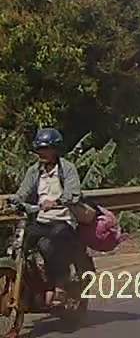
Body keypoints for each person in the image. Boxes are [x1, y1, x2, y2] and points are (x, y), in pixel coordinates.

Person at [12, 128, 83, 301]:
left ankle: (59, 282)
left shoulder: (67, 169)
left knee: (48, 244)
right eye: (39, 149)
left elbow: (73, 194)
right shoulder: (34, 171)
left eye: (46, 149)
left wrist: (55, 202)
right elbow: (23, 192)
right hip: (41, 221)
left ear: (56, 150)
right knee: (20, 244)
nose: (41, 153)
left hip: (63, 221)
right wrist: (13, 201)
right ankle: (31, 284)